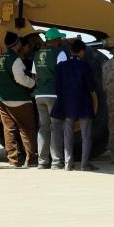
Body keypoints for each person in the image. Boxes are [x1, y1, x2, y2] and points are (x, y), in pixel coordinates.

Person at [0, 32, 38, 167]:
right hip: (20, 101)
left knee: (9, 130)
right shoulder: (15, 59)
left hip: (2, 100)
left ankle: (13, 160)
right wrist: (33, 83)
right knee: (27, 129)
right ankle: (31, 159)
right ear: (17, 44)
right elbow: (20, 78)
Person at [53, 39, 100, 171]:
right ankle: (85, 164)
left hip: (67, 106)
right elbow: (91, 88)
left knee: (67, 134)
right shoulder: (85, 66)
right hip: (84, 105)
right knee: (86, 135)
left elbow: (57, 88)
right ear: (81, 52)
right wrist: (94, 106)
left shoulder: (60, 67)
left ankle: (68, 163)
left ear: (70, 51)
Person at [34, 28, 69, 169]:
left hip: (39, 95)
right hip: (53, 94)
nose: (60, 41)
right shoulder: (59, 53)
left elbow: (35, 77)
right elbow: (64, 74)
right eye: (59, 38)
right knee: (56, 127)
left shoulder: (37, 54)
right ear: (54, 40)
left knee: (43, 128)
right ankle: (56, 161)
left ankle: (42, 162)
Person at [102, 53, 114, 164]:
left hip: (110, 100)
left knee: (113, 128)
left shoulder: (106, 65)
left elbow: (103, 85)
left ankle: (113, 156)